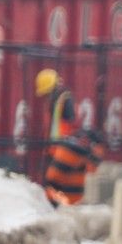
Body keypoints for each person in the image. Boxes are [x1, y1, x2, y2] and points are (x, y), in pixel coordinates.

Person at [36, 68, 96, 206]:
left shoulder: (64, 100)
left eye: (46, 93)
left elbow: (69, 122)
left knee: (56, 181)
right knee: (53, 181)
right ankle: (52, 204)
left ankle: (55, 205)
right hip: (56, 147)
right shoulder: (58, 100)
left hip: (62, 147)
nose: (46, 96)